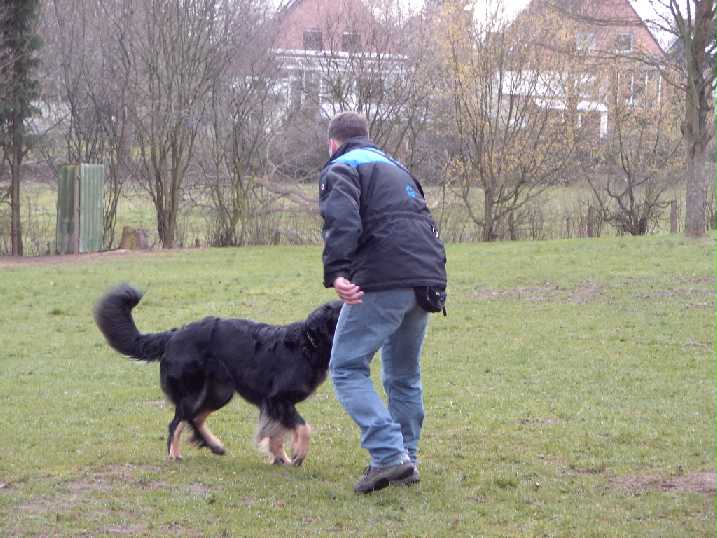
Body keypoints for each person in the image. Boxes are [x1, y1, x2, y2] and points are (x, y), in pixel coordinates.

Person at [318, 111, 447, 493]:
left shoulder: (342, 166)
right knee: (404, 376)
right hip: (426, 278)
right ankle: (406, 458)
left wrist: (337, 272)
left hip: (384, 277)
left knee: (346, 366)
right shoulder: (396, 167)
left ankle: (390, 455)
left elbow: (342, 220)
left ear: (333, 143)